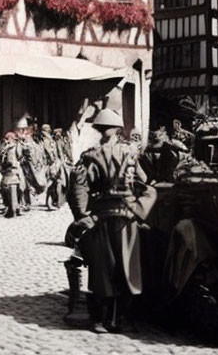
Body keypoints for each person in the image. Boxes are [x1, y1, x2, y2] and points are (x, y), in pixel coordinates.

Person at [66, 108, 155, 333]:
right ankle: (119, 319)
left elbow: (78, 190)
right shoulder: (131, 153)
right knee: (126, 269)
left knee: (101, 270)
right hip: (127, 219)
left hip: (100, 220)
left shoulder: (89, 156)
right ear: (118, 129)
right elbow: (145, 183)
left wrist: (83, 218)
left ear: (98, 130)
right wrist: (138, 209)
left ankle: (99, 320)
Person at [0, 130, 26, 218]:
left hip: (16, 170)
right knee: (3, 188)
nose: (7, 140)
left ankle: (19, 206)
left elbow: (21, 156)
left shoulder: (16, 146)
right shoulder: (4, 147)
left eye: (9, 138)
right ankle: (7, 205)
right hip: (6, 171)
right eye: (6, 138)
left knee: (21, 188)